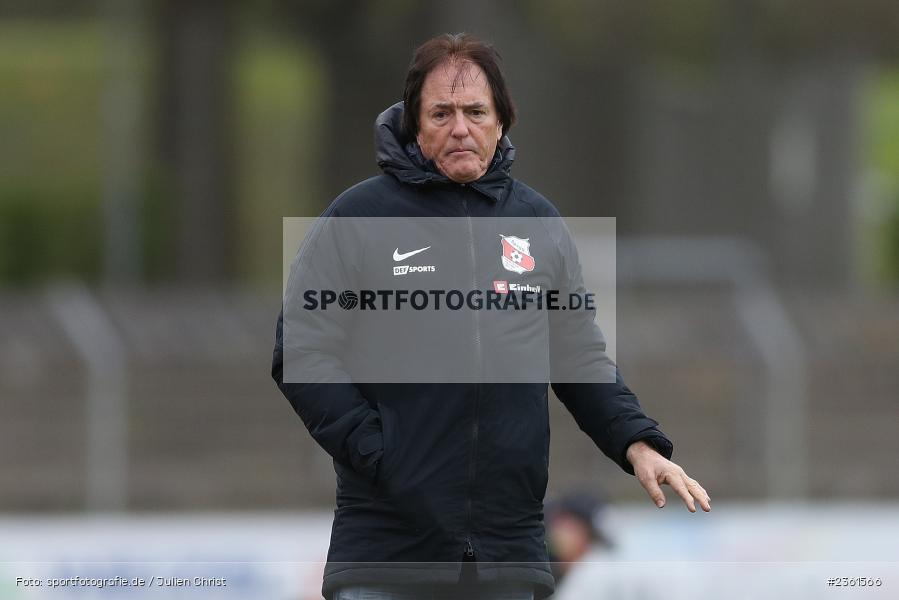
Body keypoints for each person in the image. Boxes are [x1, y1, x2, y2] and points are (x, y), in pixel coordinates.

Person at [272, 33, 711, 600]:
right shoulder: (356, 218)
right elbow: (302, 351)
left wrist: (638, 443)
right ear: (414, 123)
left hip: (508, 554)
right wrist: (378, 452)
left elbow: (579, 357)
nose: (460, 128)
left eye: (476, 112)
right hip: (387, 553)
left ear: (501, 121)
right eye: (442, 113)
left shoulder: (539, 223)